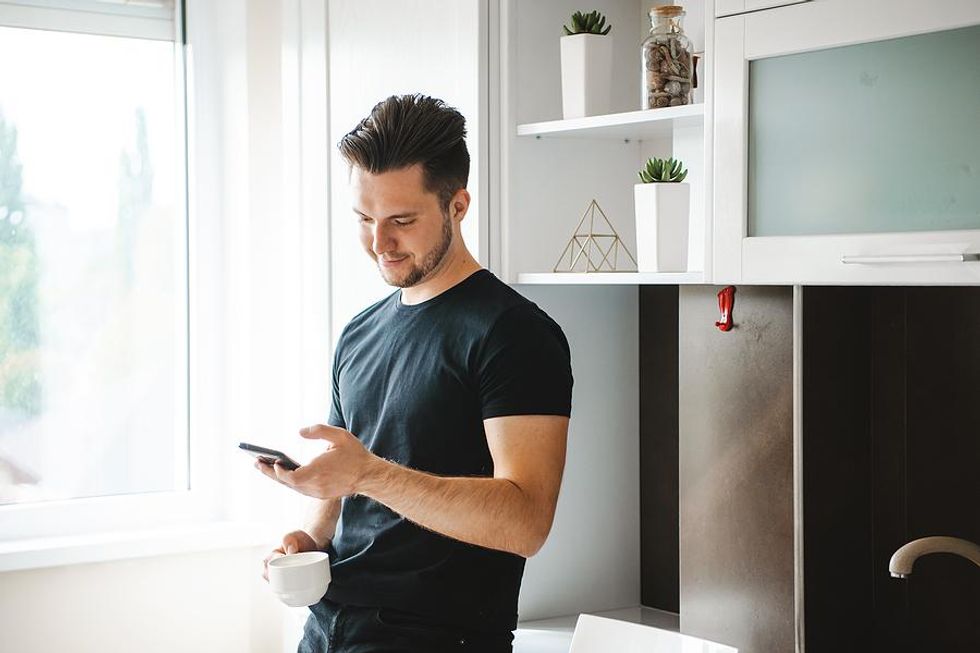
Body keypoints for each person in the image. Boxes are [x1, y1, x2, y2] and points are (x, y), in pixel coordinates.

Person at [255, 94, 573, 653]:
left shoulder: (514, 334)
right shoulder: (360, 331)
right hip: (328, 630)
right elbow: (348, 471)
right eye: (364, 219)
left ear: (457, 205)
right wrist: (310, 537)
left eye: (401, 221)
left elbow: (526, 522)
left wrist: (370, 475)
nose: (379, 243)